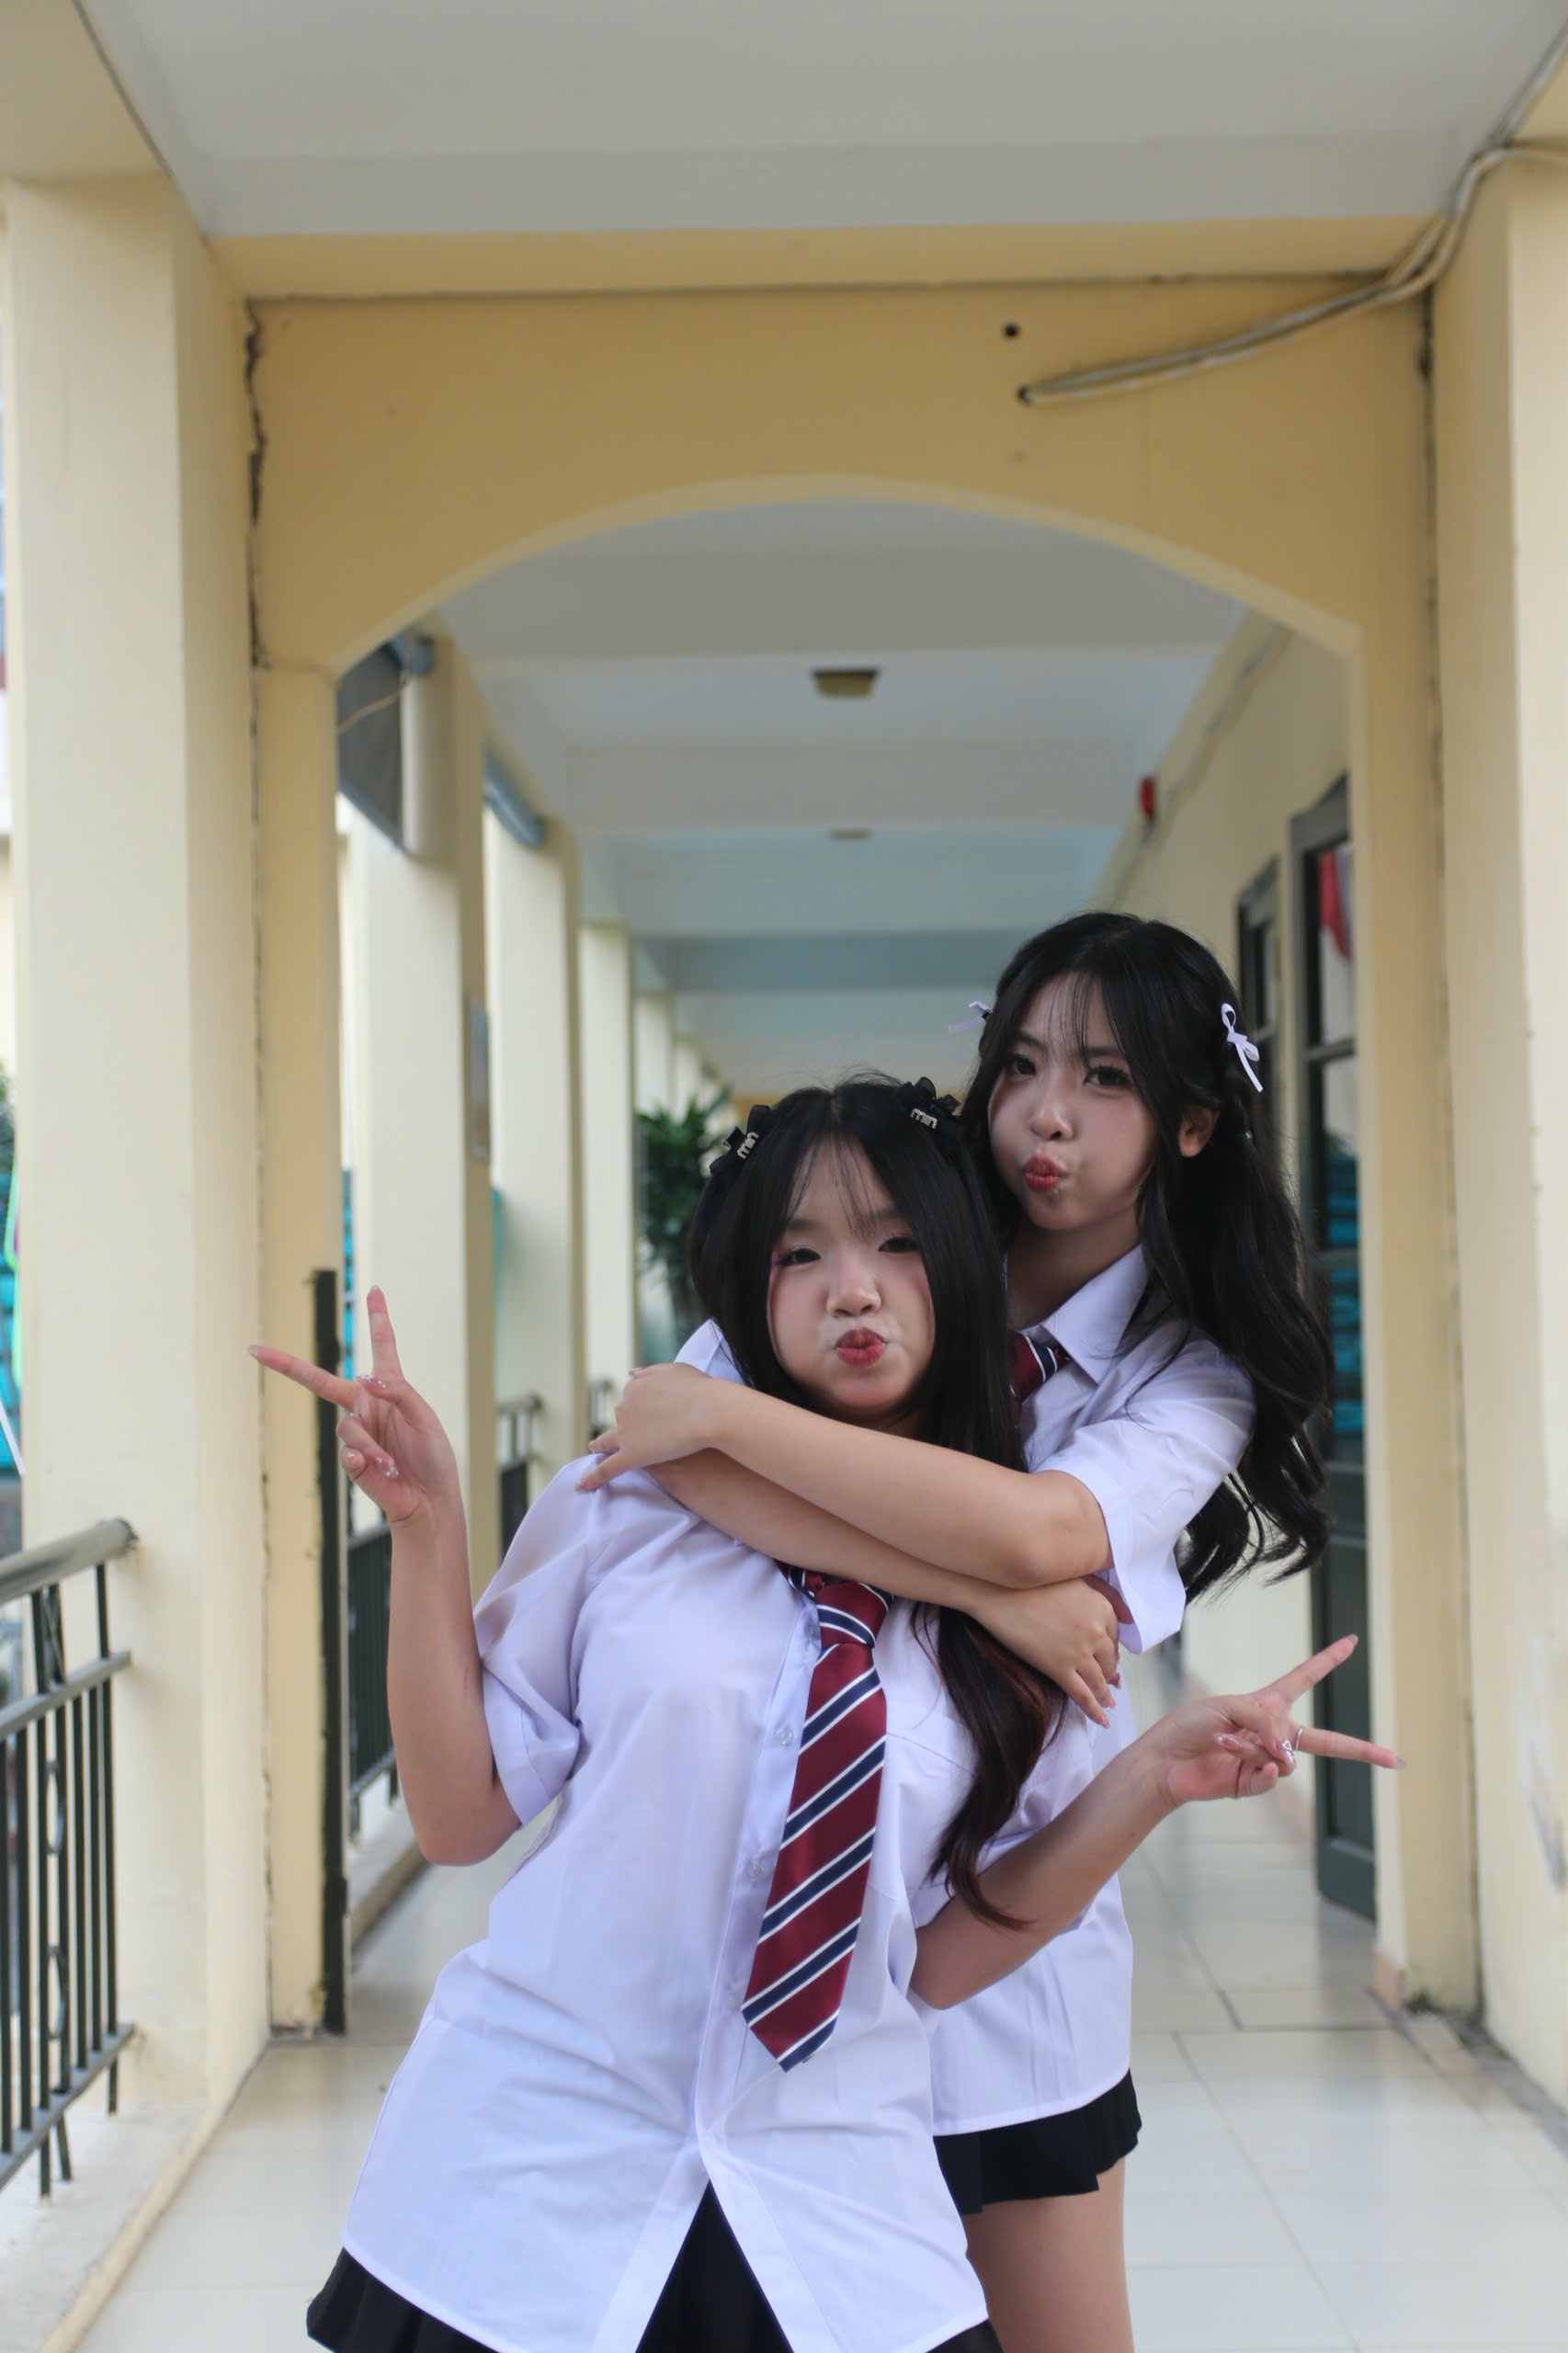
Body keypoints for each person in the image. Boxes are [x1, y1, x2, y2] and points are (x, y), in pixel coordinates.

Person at [253, 1075, 1389, 2353]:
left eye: (898, 1245)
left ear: (964, 1269)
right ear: (750, 1289)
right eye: (801, 1255)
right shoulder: (623, 1508)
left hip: (833, 2201)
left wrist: (1154, 1778)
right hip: (527, 2175)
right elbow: (459, 1818)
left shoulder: (1036, 1611)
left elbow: (940, 1961)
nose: (854, 1290)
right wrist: (427, 1530)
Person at [581, 914, 1335, 2353]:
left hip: (1008, 1966)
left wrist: (738, 1421)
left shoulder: (1189, 1373)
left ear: (1189, 1123)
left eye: (1105, 1080)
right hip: (776, 1958)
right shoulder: (880, 1242)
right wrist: (981, 1593)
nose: (1046, 1116)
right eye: (1022, 1066)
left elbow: (1043, 1533)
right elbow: (670, 1458)